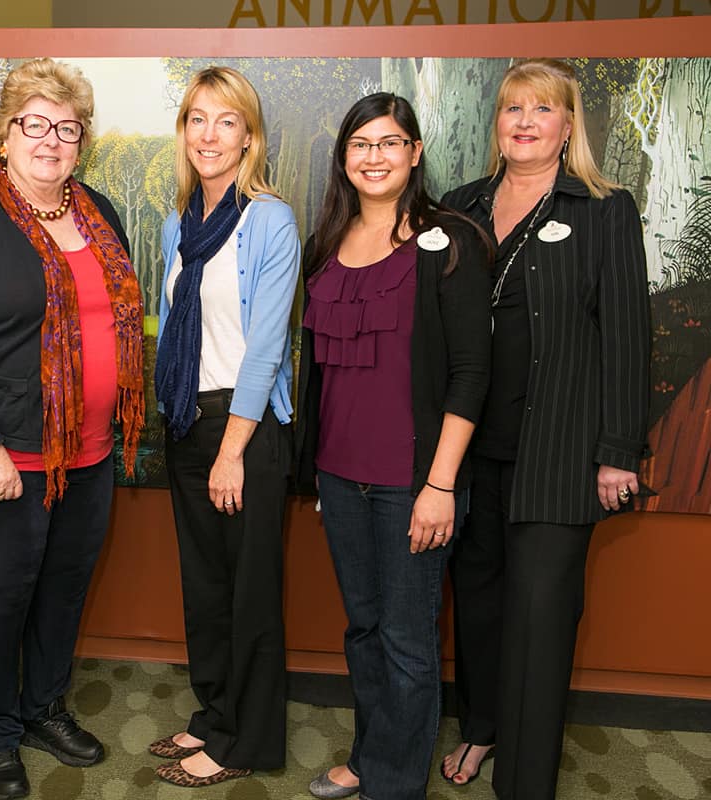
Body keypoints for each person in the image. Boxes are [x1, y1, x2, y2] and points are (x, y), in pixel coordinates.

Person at [0, 57, 143, 800]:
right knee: (3, 593)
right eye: (33, 124)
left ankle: (44, 707)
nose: (50, 139)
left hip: (90, 450)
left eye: (66, 126)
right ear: (4, 135)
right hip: (3, 451)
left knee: (63, 588)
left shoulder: (98, 210)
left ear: (81, 140)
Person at [439, 58, 650, 799]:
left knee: (541, 617)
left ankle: (525, 783)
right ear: (496, 124)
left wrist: (618, 452)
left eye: (543, 109)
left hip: (558, 453)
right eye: (512, 108)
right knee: (480, 604)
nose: (525, 121)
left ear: (567, 127)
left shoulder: (603, 208)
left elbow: (628, 337)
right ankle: (481, 727)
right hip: (471, 455)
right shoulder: (459, 206)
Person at [295, 92, 491, 800]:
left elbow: (471, 373)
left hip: (416, 483)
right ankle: (370, 755)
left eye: (389, 143)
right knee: (364, 631)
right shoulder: (326, 242)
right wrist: (318, 474)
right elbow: (320, 374)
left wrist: (440, 487)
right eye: (360, 145)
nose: (373, 157)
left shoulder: (450, 242)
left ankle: (394, 786)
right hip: (341, 480)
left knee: (409, 645)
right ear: (344, 159)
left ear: (414, 153)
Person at [150, 65, 299, 789]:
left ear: (249, 137)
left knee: (249, 592)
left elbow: (266, 346)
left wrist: (234, 449)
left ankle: (248, 741)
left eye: (226, 121)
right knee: (205, 588)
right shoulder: (178, 220)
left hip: (243, 432)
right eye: (197, 119)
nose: (209, 134)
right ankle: (214, 715)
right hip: (186, 422)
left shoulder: (270, 218)